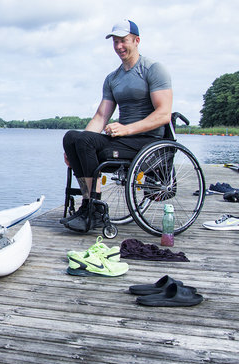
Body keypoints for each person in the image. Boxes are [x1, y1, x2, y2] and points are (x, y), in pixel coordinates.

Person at [61, 19, 173, 232]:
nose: (119, 46)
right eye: (115, 42)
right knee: (72, 137)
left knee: (82, 141)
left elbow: (164, 114)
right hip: (122, 139)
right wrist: (73, 148)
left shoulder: (153, 70)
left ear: (136, 40)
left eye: (123, 41)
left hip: (147, 141)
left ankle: (93, 208)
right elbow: (102, 116)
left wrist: (127, 128)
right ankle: (90, 205)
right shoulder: (113, 78)